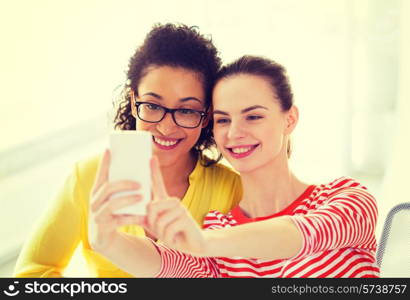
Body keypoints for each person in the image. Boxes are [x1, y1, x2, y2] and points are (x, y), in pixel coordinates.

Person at [90, 55, 380, 278]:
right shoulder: (218, 227)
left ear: (289, 119)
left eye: (253, 117)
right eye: (223, 119)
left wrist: (203, 242)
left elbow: (304, 233)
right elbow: (175, 266)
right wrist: (108, 242)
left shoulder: (346, 198)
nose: (234, 132)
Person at [13, 23, 242, 278]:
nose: (166, 127)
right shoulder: (87, 178)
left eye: (186, 110)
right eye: (153, 106)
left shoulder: (233, 189)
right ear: (134, 103)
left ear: (206, 114)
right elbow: (29, 274)